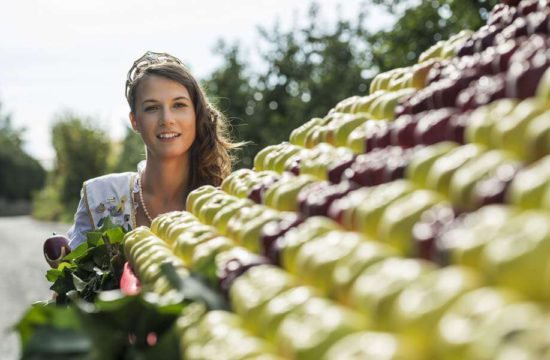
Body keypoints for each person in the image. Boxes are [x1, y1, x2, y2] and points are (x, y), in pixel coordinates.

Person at [66, 51, 241, 249]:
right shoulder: (99, 198)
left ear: (196, 114)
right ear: (135, 121)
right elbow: (75, 274)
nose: (167, 119)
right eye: (152, 108)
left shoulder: (224, 202)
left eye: (179, 105)